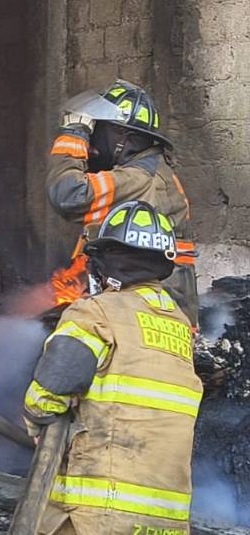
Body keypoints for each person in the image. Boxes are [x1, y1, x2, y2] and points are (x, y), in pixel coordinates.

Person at [23, 200, 201, 534]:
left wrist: (35, 425)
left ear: (109, 261)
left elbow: (52, 387)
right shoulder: (179, 324)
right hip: (167, 520)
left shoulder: (97, 312)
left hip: (99, 511)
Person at [47, 80, 198, 323]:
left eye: (96, 133)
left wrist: (74, 136)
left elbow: (68, 195)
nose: (91, 146)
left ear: (122, 137)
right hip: (154, 310)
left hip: (147, 317)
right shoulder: (150, 171)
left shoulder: (140, 179)